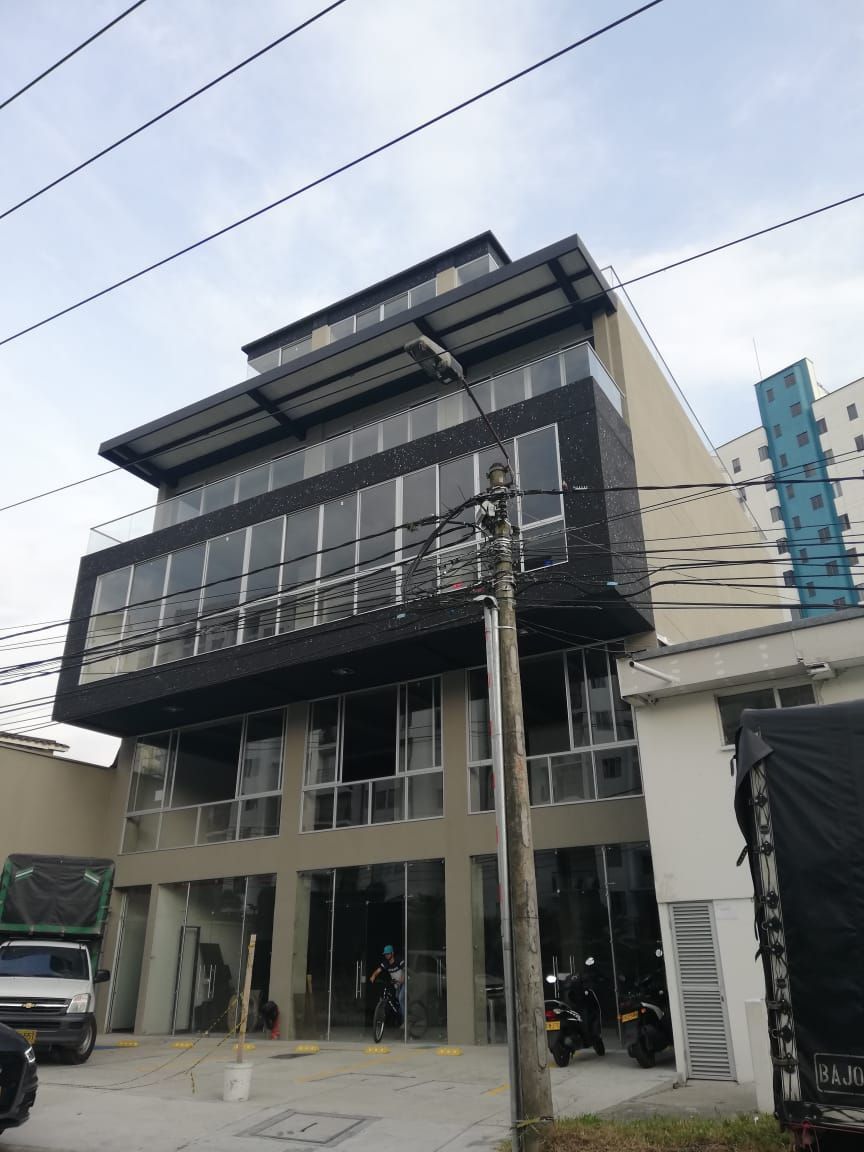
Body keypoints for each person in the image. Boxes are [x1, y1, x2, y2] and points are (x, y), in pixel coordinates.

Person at [369, 944, 405, 1018]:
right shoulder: (385, 963)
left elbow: (405, 970)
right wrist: (373, 976)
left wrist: (402, 978)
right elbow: (378, 970)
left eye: (388, 954)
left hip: (405, 983)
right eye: (385, 954)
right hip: (397, 984)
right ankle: (402, 1012)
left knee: (401, 998)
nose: (386, 956)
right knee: (397, 997)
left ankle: (406, 1020)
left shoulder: (399, 960)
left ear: (392, 953)